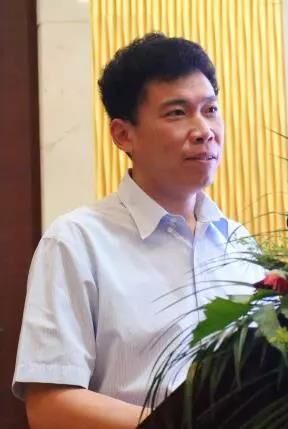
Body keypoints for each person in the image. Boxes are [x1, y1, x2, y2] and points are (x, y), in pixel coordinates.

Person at [13, 33, 264, 429]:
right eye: (177, 113)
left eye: (211, 109)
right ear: (123, 134)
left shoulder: (239, 243)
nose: (204, 130)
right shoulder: (77, 242)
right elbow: (49, 406)